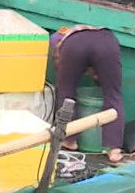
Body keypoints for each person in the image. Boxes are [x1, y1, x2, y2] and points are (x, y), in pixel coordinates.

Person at [50, 26, 125, 164]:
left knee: (66, 90)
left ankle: (69, 140)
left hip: (74, 45)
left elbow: (61, 74)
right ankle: (114, 150)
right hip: (106, 44)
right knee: (113, 94)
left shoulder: (56, 39)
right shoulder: (104, 35)